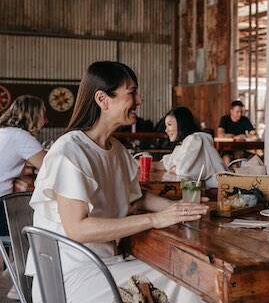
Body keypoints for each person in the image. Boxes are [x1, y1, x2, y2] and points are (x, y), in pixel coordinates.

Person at [25, 61, 208, 303]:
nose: (139, 100)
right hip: (68, 277)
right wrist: (155, 219)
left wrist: (183, 209)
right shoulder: (70, 151)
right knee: (190, 281)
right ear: (102, 99)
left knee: (187, 274)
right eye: (131, 92)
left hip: (105, 264)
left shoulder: (118, 151)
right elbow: (77, 228)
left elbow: (137, 198)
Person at [156, 106, 226, 198]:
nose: (166, 130)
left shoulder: (194, 139)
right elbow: (168, 162)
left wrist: (175, 168)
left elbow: (183, 171)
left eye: (169, 125)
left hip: (219, 191)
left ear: (181, 124)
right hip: (210, 190)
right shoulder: (184, 143)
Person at [0, 95, 47, 199]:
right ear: (34, 115)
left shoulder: (5, 131)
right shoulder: (20, 136)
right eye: (43, 114)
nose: (45, 121)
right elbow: (50, 166)